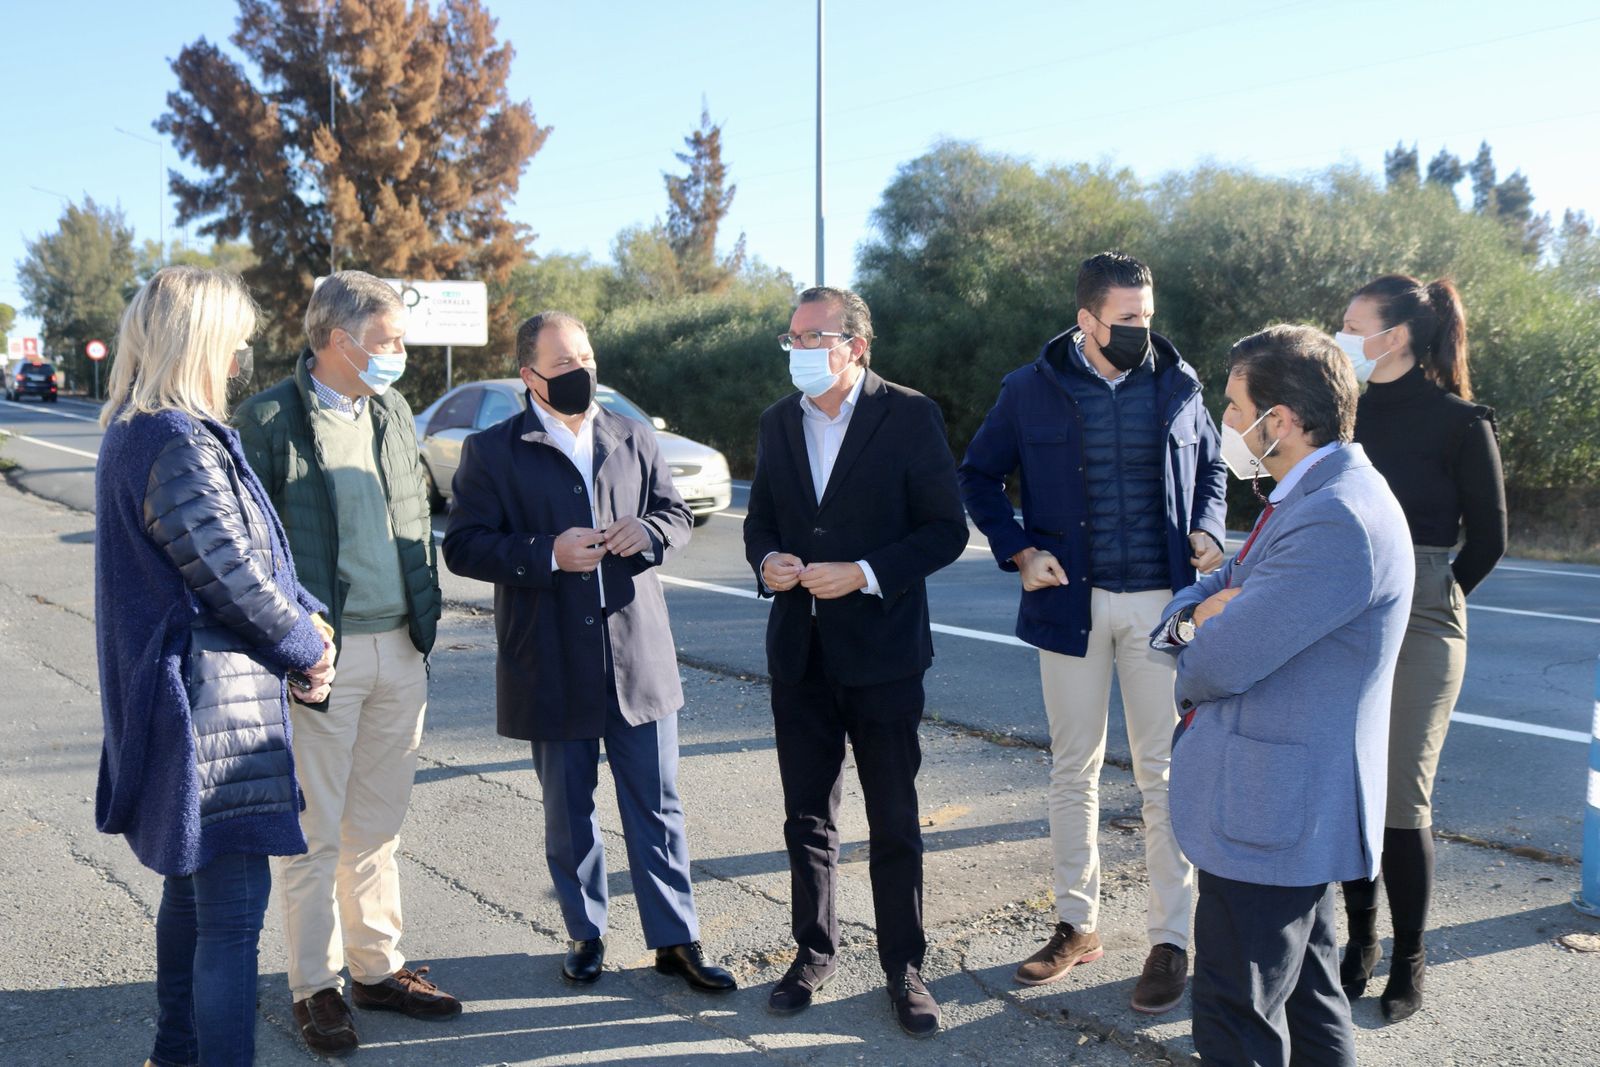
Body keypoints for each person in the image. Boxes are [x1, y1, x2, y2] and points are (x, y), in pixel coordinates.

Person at [958, 252, 1227, 1013]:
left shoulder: (1180, 383)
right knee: (1072, 769)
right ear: (1087, 320)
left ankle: (1172, 938)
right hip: (1068, 604)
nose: (1143, 329)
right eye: (1127, 319)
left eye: (1149, 315)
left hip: (1159, 608)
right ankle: (1076, 924)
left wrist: (1207, 528)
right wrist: (1018, 548)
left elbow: (1212, 467)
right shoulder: (1029, 389)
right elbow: (976, 474)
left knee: (1163, 775)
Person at [442, 311, 736, 995]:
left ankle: (676, 937)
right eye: (565, 363)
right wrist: (547, 553)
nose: (582, 372)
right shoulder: (492, 450)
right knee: (568, 807)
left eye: (587, 357)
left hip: (637, 652)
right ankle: (586, 932)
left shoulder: (633, 435)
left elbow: (676, 515)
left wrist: (650, 531)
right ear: (529, 376)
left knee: (657, 803)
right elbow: (463, 544)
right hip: (548, 658)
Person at [1152, 324, 1413, 1066]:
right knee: (1308, 993)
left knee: (1238, 1010)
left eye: (1234, 409)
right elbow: (1217, 593)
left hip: (1273, 809)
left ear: (1282, 422)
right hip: (1285, 805)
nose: (1224, 425)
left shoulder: (1335, 515)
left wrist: (1196, 629)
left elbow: (1220, 661)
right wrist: (1195, 617)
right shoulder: (1317, 490)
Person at [94, 266, 336, 1066]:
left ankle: (176, 1053)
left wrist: (306, 615)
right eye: (231, 340)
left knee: (192, 904)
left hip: (192, 707)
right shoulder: (171, 439)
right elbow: (226, 568)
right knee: (229, 918)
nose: (238, 357)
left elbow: (249, 553)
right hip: (210, 717)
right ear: (195, 340)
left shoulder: (152, 433)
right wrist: (304, 643)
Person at [234, 270, 453, 1056]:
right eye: (388, 340)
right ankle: (314, 987)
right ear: (336, 339)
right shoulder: (266, 420)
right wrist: (293, 640)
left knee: (378, 828)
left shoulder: (391, 410)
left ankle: (375, 967)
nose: (399, 355)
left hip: (402, 644)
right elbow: (246, 551)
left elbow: (416, 515)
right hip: (320, 654)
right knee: (314, 832)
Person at [743, 286, 969, 1038]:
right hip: (800, 652)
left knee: (894, 817)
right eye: (794, 337)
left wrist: (865, 571)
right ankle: (813, 950)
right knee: (807, 818)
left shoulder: (908, 415)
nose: (801, 349)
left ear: (857, 346)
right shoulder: (779, 422)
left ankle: (904, 965)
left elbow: (944, 530)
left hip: (883, 652)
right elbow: (764, 520)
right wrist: (769, 558)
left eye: (816, 337)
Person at [1334, 275, 1507, 1022]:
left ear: (1396, 335)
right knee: (1351, 788)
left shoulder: (1460, 421)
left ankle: (1409, 956)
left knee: (1401, 795)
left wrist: (1431, 591)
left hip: (1428, 612)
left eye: (1351, 325)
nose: (1339, 336)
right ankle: (1360, 940)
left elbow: (1491, 537)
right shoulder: (1345, 414)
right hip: (1343, 608)